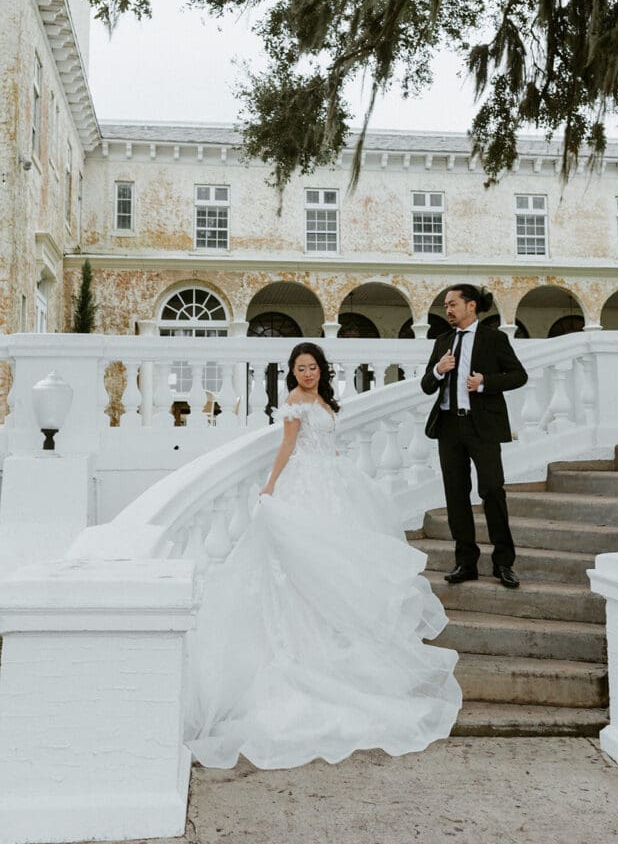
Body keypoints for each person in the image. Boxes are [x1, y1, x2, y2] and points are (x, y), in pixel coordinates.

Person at [184, 341, 461, 769]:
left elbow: (325, 441)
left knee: (341, 564)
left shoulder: (323, 399)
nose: (307, 373)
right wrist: (270, 485)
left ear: (321, 369)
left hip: (332, 482)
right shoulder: (295, 402)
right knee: (307, 565)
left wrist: (337, 466)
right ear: (292, 372)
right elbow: (287, 446)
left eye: (312, 367)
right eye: (300, 368)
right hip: (305, 485)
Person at [421, 285, 528, 589]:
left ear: (471, 306)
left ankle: (503, 563)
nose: (448, 310)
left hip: (482, 426)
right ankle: (465, 563)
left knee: (492, 491)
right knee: (456, 495)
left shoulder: (494, 339)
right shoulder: (442, 341)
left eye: (452, 304)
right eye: (445, 305)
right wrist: (439, 370)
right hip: (448, 427)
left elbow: (519, 375)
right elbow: (426, 385)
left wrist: (484, 383)